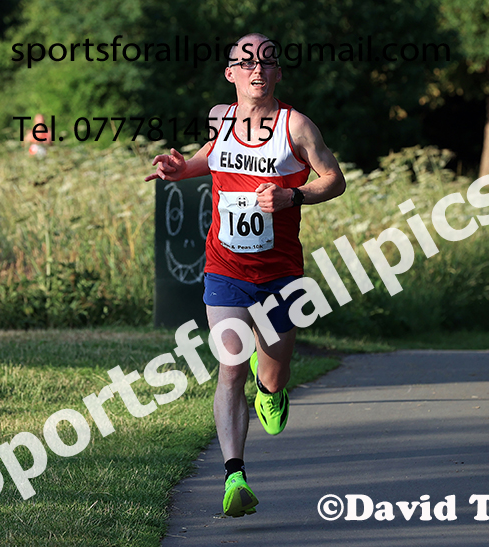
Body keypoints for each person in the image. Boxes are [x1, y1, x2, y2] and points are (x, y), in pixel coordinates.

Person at [145, 33, 346, 518]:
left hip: (279, 275)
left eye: (267, 62)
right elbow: (209, 158)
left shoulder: (295, 127)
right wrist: (179, 168)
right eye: (245, 62)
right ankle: (235, 476)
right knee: (229, 367)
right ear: (231, 73)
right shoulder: (225, 119)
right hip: (225, 269)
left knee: (271, 373)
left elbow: (334, 180)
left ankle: (271, 387)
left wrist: (292, 197)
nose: (257, 70)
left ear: (278, 73)